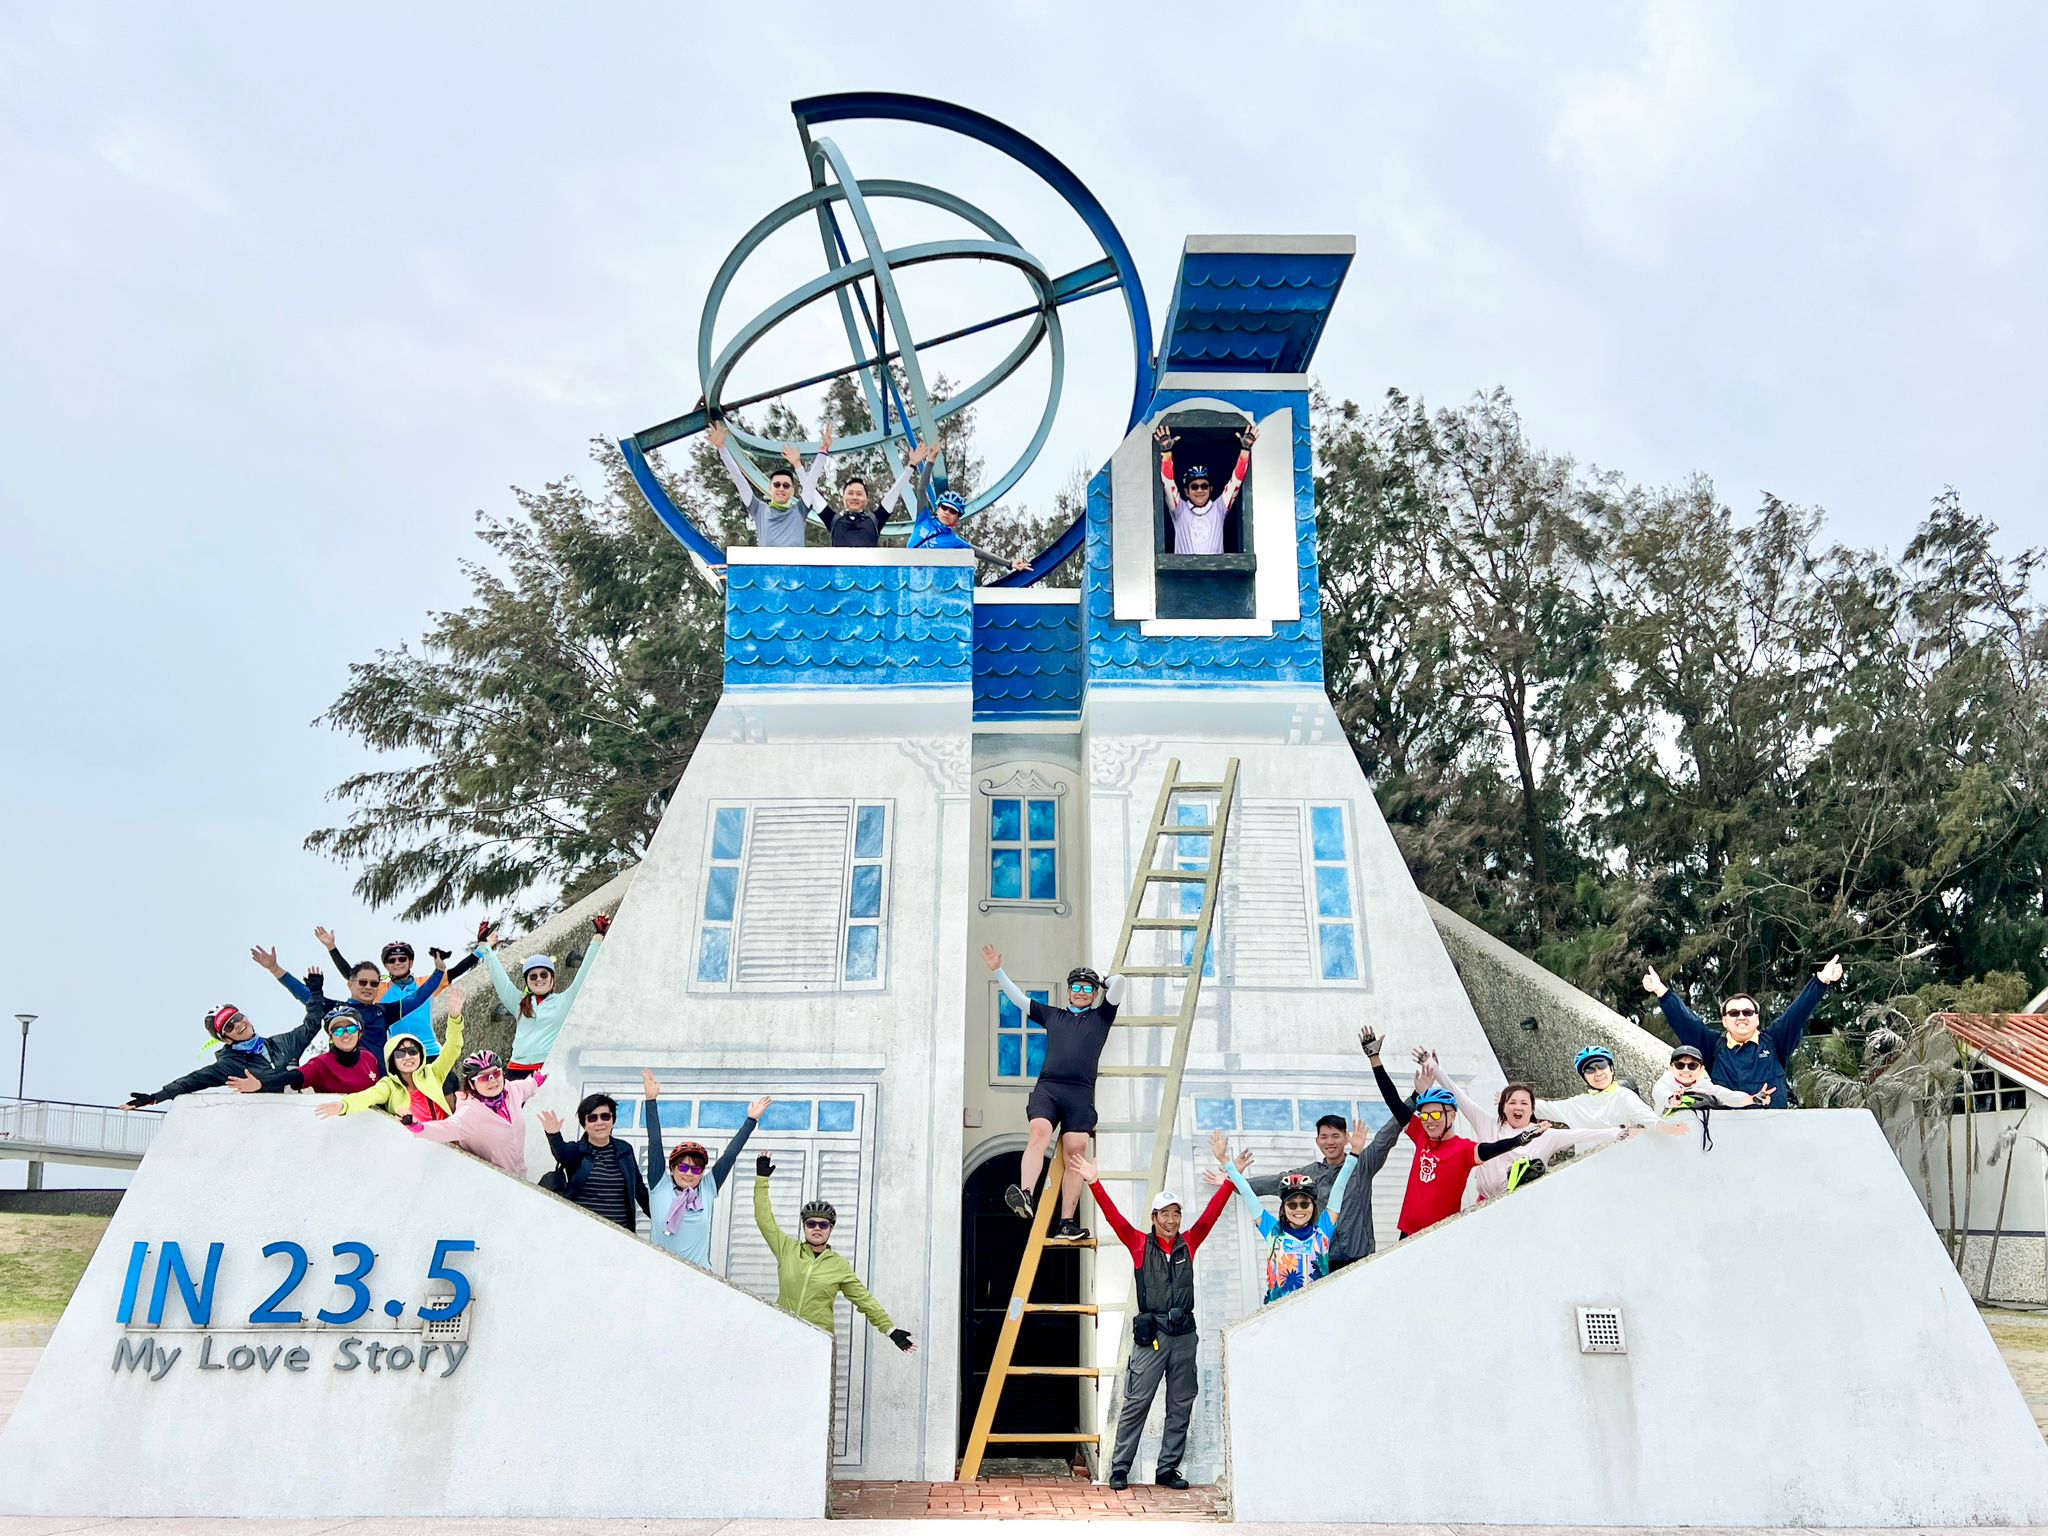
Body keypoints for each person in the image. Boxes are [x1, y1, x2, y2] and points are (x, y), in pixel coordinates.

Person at [1067, 1149, 1236, 1492]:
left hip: (1184, 1335)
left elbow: (1211, 1215)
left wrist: (1231, 1177)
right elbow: (1115, 1219)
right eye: (1165, 1214)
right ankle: (1119, 1468)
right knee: (1136, 1403)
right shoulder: (1140, 1244)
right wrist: (1094, 1181)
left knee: (1181, 1403)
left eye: (1176, 1214)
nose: (1172, 1220)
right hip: (1153, 1336)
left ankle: (1167, 1469)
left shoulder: (1190, 1241)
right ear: (1155, 1216)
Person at [983, 943, 1129, 1240]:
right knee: (1039, 1133)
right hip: (1049, 1088)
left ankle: (1066, 1223)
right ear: (1069, 990)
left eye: (1088, 988)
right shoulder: (1053, 1015)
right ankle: (1025, 1194)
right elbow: (1018, 1000)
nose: (1081, 991)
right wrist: (998, 970)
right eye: (1076, 986)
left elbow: (1120, 983)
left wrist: (1103, 981)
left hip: (1080, 1093)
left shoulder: (1101, 1017)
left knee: (1076, 1152)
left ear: (1095, 993)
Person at [1373, 1038, 1544, 1239]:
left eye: (1436, 1115)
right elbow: (1393, 1101)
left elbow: (1491, 1148)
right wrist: (1374, 1058)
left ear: (1452, 1116)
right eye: (1425, 1115)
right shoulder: (1421, 1135)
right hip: (1407, 1233)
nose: (1429, 1121)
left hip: (1441, 1234)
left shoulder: (1463, 1149)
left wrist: (1518, 1140)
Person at [1418, 1048, 1642, 1201]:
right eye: (1512, 1102)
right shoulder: (1487, 1124)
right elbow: (1461, 1097)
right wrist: (1434, 1068)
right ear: (1503, 1107)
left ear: (1533, 1109)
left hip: (1524, 1204)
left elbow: (1583, 1134)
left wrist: (1618, 1132)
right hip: (1484, 1202)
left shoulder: (1547, 1135)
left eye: (1524, 1103)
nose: (1518, 1107)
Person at [753, 1153, 915, 1353]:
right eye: (811, 1223)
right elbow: (764, 1219)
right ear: (804, 1226)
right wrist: (762, 1180)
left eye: (823, 1224)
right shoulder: (787, 1249)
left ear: (831, 1229)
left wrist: (890, 1330)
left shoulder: (839, 1265)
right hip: (784, 1333)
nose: (817, 1228)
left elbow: (864, 1299)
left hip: (817, 1340)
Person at [1643, 955, 1843, 1109]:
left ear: (1757, 1018)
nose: (1741, 1017)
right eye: (1733, 1012)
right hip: (1727, 1133)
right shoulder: (1713, 1047)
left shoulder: (1775, 1041)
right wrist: (1661, 991)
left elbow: (1797, 1012)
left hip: (1774, 1127)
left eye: (1747, 1012)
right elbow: (1685, 1022)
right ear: (1724, 1020)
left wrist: (1822, 980)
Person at [644, 1070, 769, 1269]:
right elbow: (655, 1142)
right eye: (684, 1166)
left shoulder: (707, 1188)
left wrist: (751, 1120)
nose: (688, 1173)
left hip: (699, 1277)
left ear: (702, 1173)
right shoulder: (660, 1184)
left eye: (696, 1169)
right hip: (660, 1272)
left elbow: (730, 1155)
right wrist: (651, 1101)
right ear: (673, 1168)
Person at [1218, 1129, 1358, 1304]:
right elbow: (1247, 1193)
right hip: (1278, 1316)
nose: (1299, 1209)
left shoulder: (1322, 1231)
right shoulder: (1273, 1231)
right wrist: (1225, 1162)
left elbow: (1339, 1188)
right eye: (1292, 1204)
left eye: (1304, 1203)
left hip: (1317, 1312)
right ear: (1283, 1208)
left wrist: (1354, 1154)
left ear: (1313, 1207)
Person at [472, 914, 610, 1079]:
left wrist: (598, 937)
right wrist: (485, 947)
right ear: (527, 981)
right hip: (516, 1071)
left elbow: (585, 972)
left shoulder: (565, 1000)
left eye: (544, 974)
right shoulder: (518, 1003)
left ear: (552, 979)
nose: (539, 979)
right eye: (533, 976)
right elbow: (500, 979)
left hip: (547, 1069)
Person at [249, 944, 440, 1062]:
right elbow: (305, 995)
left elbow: (417, 998)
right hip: (346, 1081)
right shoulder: (338, 1010)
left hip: (381, 1083)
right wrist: (275, 969)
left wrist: (439, 971)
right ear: (350, 983)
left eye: (374, 983)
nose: (368, 987)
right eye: (362, 982)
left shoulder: (384, 1011)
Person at [123, 1002, 325, 1108]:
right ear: (226, 1039)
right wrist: (156, 1097)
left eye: (237, 1017)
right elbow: (194, 1080)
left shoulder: (283, 1043)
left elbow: (312, 1023)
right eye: (229, 1026)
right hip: (267, 1121)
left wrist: (315, 990)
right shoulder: (230, 1065)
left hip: (302, 1112)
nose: (238, 1024)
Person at [1328, 1025, 1412, 1269]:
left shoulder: (1362, 1164)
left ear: (1346, 1137)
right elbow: (1277, 1180)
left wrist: (1416, 1096)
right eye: (1324, 1137)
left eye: (1335, 1136)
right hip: (1325, 1260)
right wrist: (1233, 1180)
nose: (1330, 1142)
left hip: (1360, 1258)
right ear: (1317, 1141)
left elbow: (1389, 1131)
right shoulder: (1313, 1173)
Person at [315, 995, 468, 1125]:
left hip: (446, 1142)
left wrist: (454, 1018)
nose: (407, 1057)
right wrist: (344, 1106)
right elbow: (368, 1096)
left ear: (420, 1055)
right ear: (392, 1060)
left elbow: (453, 1047)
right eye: (400, 1054)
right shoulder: (389, 1085)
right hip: (416, 1145)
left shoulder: (433, 1073)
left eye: (412, 1051)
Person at [314, 922, 483, 1038]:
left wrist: (482, 948)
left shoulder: (424, 983)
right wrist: (331, 947)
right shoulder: (379, 988)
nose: (397, 963)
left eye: (402, 959)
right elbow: (352, 975)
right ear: (386, 966)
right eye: (391, 961)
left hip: (429, 1049)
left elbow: (456, 971)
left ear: (410, 962)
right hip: (397, 1053)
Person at [412, 1050, 543, 1177]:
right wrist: (417, 1127)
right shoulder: (468, 1114)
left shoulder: (512, 1090)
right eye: (483, 1077)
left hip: (520, 1175)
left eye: (496, 1073)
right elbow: (445, 1128)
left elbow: (529, 1085)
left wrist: (537, 1080)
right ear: (471, 1083)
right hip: (495, 1182)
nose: (492, 1080)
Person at [540, 1092, 650, 1231]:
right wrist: (553, 1135)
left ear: (613, 1120)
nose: (599, 1122)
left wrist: (662, 1220)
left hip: (621, 1236)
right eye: (592, 1118)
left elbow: (639, 1191)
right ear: (584, 1124)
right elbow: (561, 1153)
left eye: (605, 1116)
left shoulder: (625, 1150)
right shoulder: (576, 1151)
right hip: (583, 1232)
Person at [806, 430, 935, 548]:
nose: (855, 497)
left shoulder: (874, 521)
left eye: (859, 494)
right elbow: (810, 489)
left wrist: (911, 466)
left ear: (866, 499)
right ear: (844, 497)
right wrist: (823, 452)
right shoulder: (834, 521)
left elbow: (894, 493)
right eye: (850, 493)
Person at [707, 420, 821, 548]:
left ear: (792, 490)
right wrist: (722, 449)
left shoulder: (800, 510)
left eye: (786, 485)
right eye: (777, 485)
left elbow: (810, 484)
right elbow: (739, 478)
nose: (781, 488)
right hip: (767, 567)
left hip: (795, 567)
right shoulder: (759, 509)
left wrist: (804, 462)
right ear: (770, 488)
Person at [1152, 420, 1258, 555]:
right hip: (1184, 575)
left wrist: (1245, 450)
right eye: (1194, 486)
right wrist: (1166, 454)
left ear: (1211, 489)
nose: (1200, 490)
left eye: (1204, 486)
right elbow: (1168, 483)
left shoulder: (1219, 508)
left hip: (1217, 575)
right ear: (1187, 491)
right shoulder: (1179, 510)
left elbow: (1235, 481)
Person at [232, 1008, 383, 1096]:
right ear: (330, 1037)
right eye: (337, 1031)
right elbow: (293, 1076)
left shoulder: (370, 1059)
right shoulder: (321, 1063)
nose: (345, 1034)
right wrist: (260, 1084)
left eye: (350, 1028)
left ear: (360, 1032)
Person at [906, 490, 1031, 576]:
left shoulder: (953, 540)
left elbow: (980, 553)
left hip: (923, 578)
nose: (947, 512)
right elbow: (922, 489)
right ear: (938, 508)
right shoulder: (924, 520)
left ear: (957, 518)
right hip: (902, 568)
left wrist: (1009, 564)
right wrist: (930, 462)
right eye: (944, 508)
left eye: (953, 511)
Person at [1536, 1045, 1660, 1129]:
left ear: (1611, 1069)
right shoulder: (1576, 1104)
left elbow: (1645, 1116)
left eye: (1602, 1065)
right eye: (1590, 1070)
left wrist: (1664, 1127)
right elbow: (1541, 1108)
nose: (1598, 1073)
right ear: (1584, 1077)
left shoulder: (1624, 1095)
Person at [1653, 1043, 1767, 1113]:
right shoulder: (1665, 1083)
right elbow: (1660, 1094)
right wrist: (1673, 1100)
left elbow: (1728, 1096)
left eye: (1692, 1066)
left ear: (1701, 1069)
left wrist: (1753, 1099)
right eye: (1680, 1065)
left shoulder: (1704, 1085)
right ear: (1671, 1068)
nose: (1685, 1070)